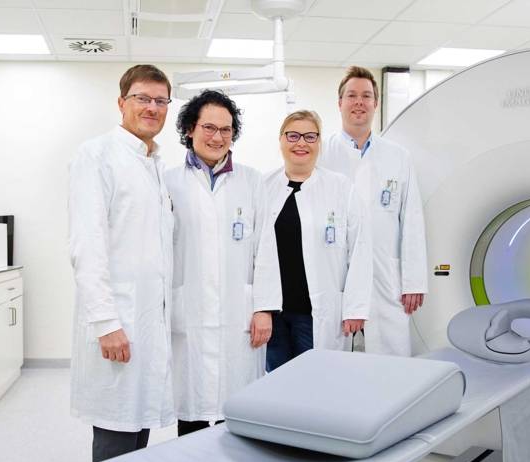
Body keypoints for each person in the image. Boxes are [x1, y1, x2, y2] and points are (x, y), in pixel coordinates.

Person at [68, 64, 175, 462]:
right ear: (121, 103)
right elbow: (87, 244)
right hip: (119, 320)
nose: (152, 108)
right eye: (142, 98)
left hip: (147, 320)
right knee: (115, 432)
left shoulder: (154, 163)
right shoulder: (97, 155)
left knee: (138, 421)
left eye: (160, 100)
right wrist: (105, 322)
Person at [165, 90, 282, 436]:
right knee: (191, 406)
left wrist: (264, 309)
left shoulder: (252, 180)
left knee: (239, 405)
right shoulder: (168, 182)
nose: (218, 137)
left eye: (226, 130)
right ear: (190, 129)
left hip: (238, 313)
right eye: (209, 128)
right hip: (189, 310)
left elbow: (266, 248)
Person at [319, 66, 428, 357]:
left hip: (384, 274)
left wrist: (413, 280)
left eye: (366, 96)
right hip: (335, 271)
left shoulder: (398, 156)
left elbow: (412, 219)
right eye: (351, 95)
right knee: (334, 357)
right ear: (339, 102)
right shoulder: (321, 154)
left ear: (376, 103)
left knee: (390, 356)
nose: (359, 102)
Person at [264, 110, 372, 370]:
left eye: (310, 136)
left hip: (316, 312)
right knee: (275, 382)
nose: (301, 143)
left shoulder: (340, 187)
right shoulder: (264, 186)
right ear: (281, 140)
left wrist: (355, 309)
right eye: (293, 135)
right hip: (273, 313)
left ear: (319, 143)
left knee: (317, 379)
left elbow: (360, 249)